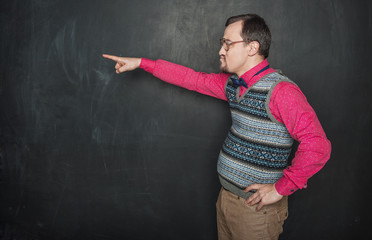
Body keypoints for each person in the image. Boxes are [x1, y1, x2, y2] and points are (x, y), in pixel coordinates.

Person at [102, 13, 331, 240]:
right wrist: (142, 63)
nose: (221, 50)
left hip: (256, 212)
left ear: (252, 47)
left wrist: (282, 188)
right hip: (226, 199)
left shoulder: (281, 91)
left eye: (228, 44)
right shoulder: (233, 85)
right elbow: (191, 79)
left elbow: (317, 144)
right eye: (222, 43)